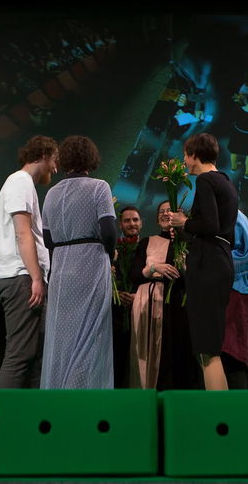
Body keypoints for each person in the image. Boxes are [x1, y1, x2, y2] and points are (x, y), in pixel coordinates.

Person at [40, 136, 117, 389]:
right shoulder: (99, 187)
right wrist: (111, 253)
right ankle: (83, 393)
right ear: (90, 159)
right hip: (90, 264)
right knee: (90, 335)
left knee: (61, 337)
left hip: (61, 268)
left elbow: (48, 239)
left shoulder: (51, 193)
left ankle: (57, 391)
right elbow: (108, 231)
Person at [169, 133, 238, 391]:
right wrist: (186, 230)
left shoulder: (206, 180)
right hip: (219, 260)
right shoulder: (225, 181)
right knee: (209, 348)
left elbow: (210, 225)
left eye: (186, 156)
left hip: (209, 264)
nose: (185, 162)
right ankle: (219, 405)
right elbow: (216, 231)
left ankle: (218, 409)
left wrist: (183, 221)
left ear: (195, 155)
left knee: (207, 349)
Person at [0, 135, 59, 388]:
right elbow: (22, 233)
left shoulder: (24, 184)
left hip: (24, 276)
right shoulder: (20, 182)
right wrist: (36, 278)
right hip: (21, 277)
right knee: (20, 354)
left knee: (35, 355)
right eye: (54, 160)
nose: (55, 168)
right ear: (43, 155)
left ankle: (30, 410)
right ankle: (2, 412)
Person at [128, 201, 200, 390]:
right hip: (153, 305)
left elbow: (195, 278)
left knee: (179, 352)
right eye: (161, 211)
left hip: (179, 305)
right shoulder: (147, 242)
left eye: (169, 210)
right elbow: (135, 275)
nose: (165, 214)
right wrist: (153, 268)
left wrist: (183, 266)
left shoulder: (188, 243)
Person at [221, 210, 248, 389]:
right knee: (221, 355)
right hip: (227, 292)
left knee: (233, 355)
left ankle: (238, 404)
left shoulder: (235, 217)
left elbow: (244, 259)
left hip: (237, 292)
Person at [112, 205, 142, 388]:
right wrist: (115, 293)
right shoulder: (113, 251)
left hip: (141, 313)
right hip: (116, 316)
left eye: (135, 220)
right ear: (120, 225)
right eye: (127, 220)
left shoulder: (147, 249)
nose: (132, 224)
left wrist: (139, 296)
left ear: (141, 223)